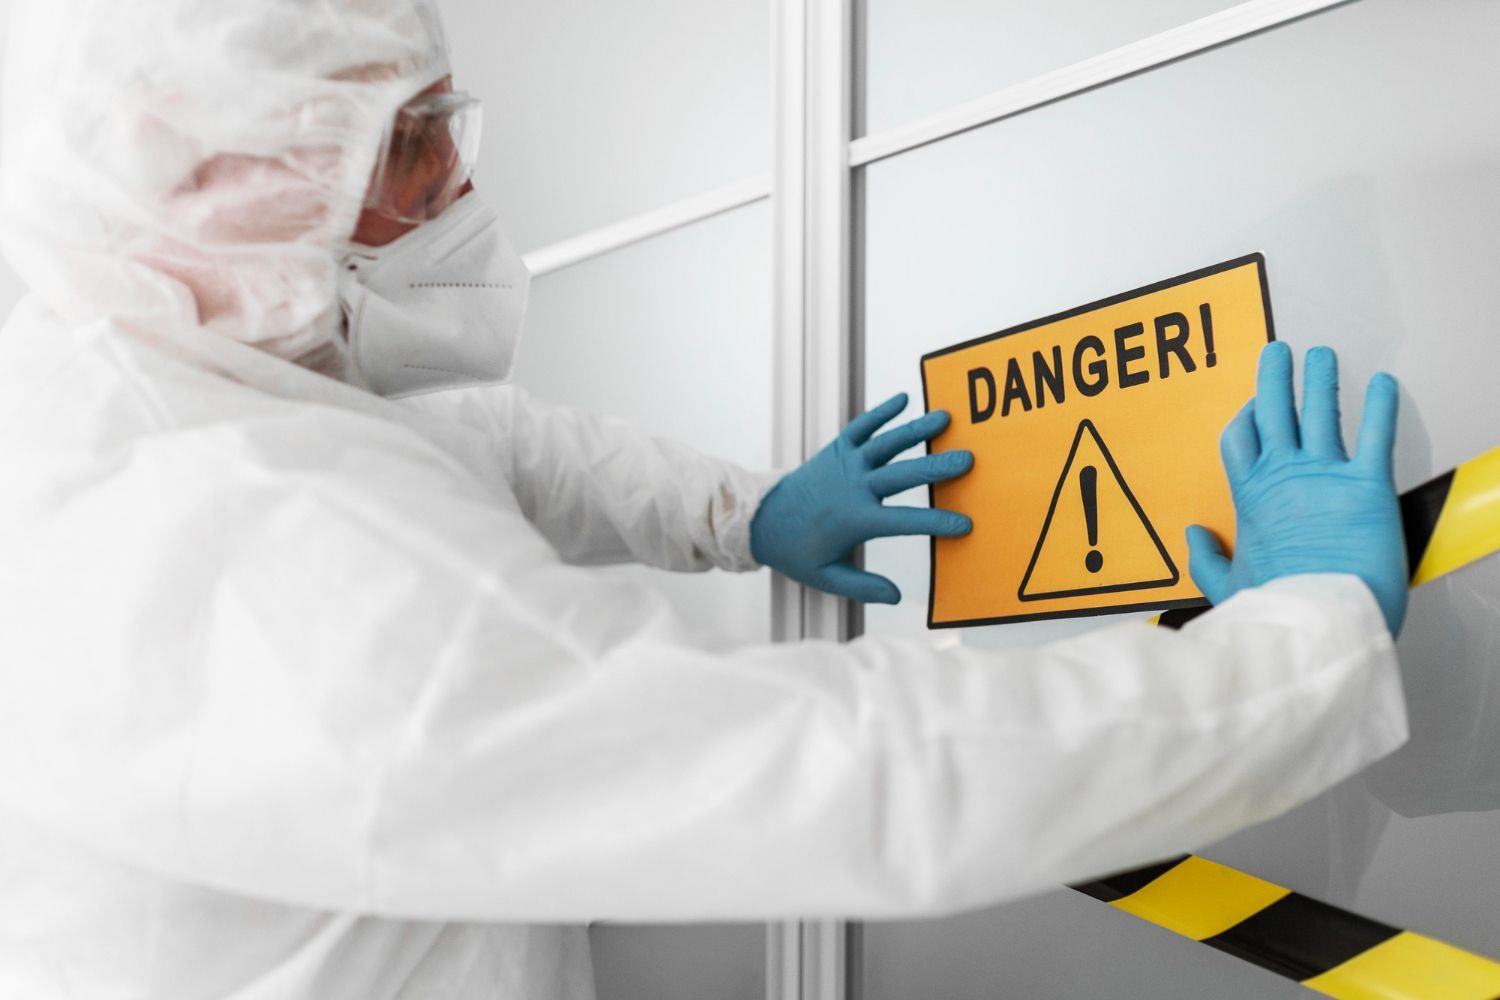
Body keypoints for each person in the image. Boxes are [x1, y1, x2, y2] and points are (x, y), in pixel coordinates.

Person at [0, 1, 1408, 997]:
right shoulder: (207, 539)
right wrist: (1302, 648)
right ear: (207, 177)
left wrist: (744, 515)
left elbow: (499, 449)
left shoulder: (162, 386)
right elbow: (843, 773)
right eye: (409, 141)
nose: (463, 181)